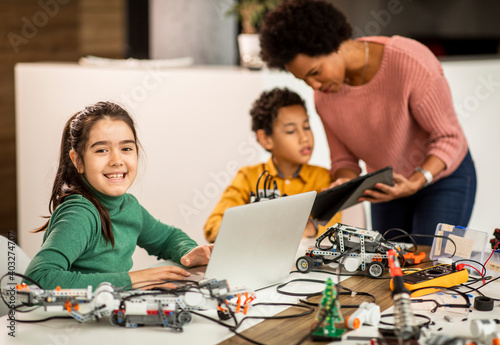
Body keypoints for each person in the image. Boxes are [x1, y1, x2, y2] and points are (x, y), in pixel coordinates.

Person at [259, 0, 476, 245]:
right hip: (388, 185)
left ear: (335, 45)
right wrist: (343, 183)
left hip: (441, 177)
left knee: (429, 266)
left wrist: (416, 181)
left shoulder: (410, 62)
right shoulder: (325, 98)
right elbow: (344, 160)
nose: (315, 87)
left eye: (315, 72)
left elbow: (449, 137)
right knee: (388, 265)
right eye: (305, 80)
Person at [24, 101, 212, 290]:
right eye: (102, 150)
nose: (116, 160)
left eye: (126, 149)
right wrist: (133, 279)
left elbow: (167, 238)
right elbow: (39, 278)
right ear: (78, 161)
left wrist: (189, 253)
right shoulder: (79, 214)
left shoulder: (128, 206)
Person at [204, 88, 341, 243]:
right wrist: (253, 230)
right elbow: (213, 226)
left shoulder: (322, 178)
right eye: (291, 131)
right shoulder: (248, 177)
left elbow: (333, 223)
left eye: (306, 127)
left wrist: (310, 228)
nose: (304, 137)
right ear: (265, 139)